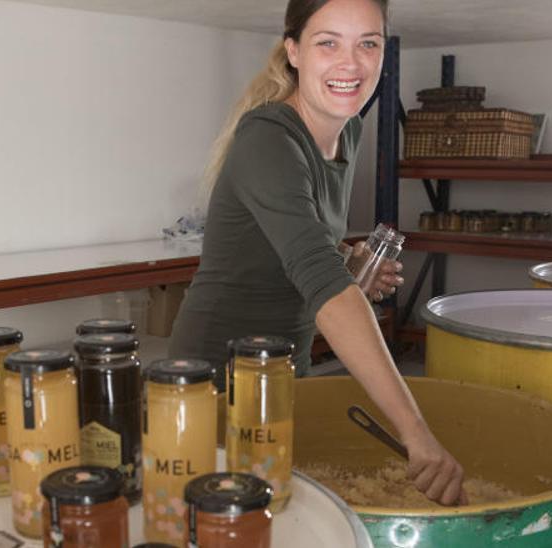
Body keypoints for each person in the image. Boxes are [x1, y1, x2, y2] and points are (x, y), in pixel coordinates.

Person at [167, 0, 465, 506]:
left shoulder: (349, 129)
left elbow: (307, 251)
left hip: (287, 367)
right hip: (217, 377)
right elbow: (320, 279)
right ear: (294, 52)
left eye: (367, 44)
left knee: (282, 512)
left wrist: (347, 263)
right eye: (328, 42)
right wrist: (416, 432)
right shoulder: (267, 138)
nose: (350, 64)